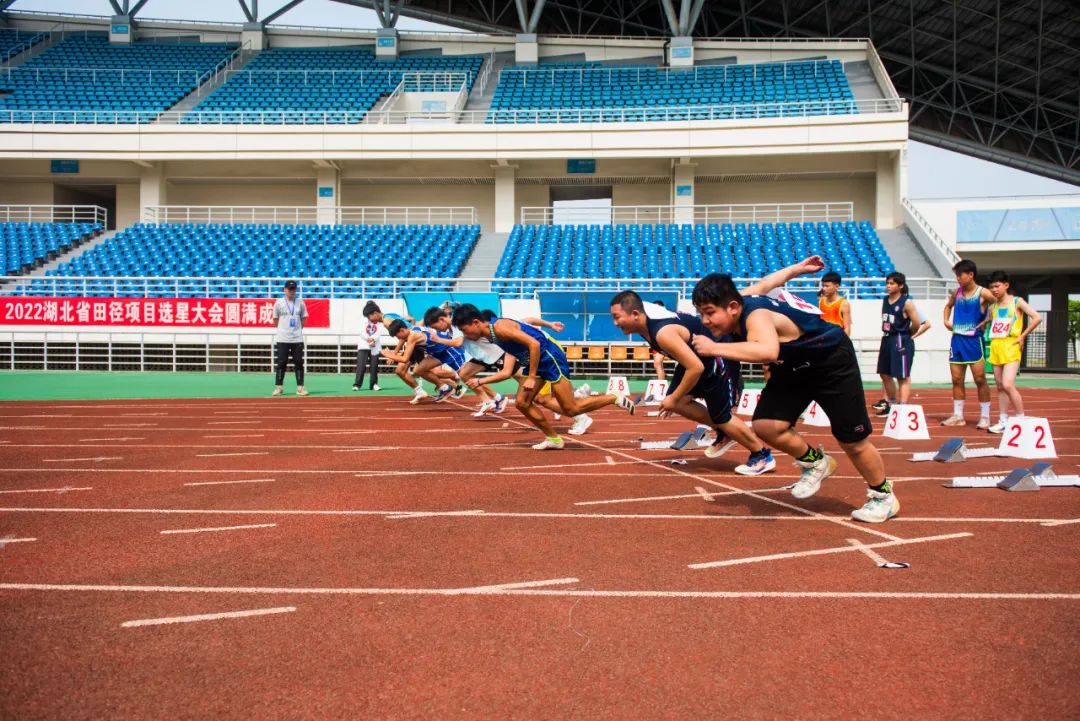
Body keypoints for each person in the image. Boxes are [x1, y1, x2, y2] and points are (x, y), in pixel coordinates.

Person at [689, 269, 899, 523]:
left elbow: (767, 350)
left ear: (733, 307)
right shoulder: (741, 300)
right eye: (701, 313)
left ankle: (883, 496)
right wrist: (799, 268)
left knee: (852, 441)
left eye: (709, 312)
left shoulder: (756, 316)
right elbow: (768, 282)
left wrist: (713, 348)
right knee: (767, 426)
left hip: (831, 362)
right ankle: (815, 463)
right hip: (793, 368)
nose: (706, 320)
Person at [609, 290, 775, 475]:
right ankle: (725, 432)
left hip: (714, 355)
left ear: (635, 314)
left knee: (721, 415)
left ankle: (762, 455)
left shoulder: (663, 333)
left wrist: (674, 398)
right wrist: (675, 399)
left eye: (617, 317)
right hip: (695, 357)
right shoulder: (642, 320)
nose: (614, 323)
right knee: (679, 403)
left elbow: (695, 368)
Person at [452, 304, 635, 449]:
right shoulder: (491, 331)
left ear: (476, 322)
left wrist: (531, 376)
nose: (465, 334)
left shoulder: (500, 328)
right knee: (522, 403)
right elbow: (527, 327)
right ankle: (554, 439)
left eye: (465, 329)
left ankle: (613, 397)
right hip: (537, 361)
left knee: (570, 409)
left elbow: (533, 344)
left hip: (550, 357)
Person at [982, 271, 1042, 434]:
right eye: (991, 287)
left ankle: (1021, 418)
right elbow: (990, 321)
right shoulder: (993, 306)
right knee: (1000, 386)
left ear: (1006, 285)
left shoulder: (1017, 302)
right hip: (996, 346)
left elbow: (1037, 317)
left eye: (997, 286)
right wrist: (982, 324)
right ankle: (1003, 420)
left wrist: (1023, 336)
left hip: (1011, 344)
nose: (994, 289)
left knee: (1008, 384)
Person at [942, 259, 996, 428]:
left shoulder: (983, 293)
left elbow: (997, 303)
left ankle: (985, 416)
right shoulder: (956, 293)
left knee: (980, 379)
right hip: (957, 340)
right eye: (956, 275)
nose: (957, 278)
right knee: (957, 379)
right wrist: (946, 321)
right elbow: (948, 306)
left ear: (971, 275)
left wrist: (989, 318)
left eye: (960, 275)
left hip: (974, 340)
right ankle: (958, 416)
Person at [871, 272, 930, 417]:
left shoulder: (907, 302)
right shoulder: (885, 300)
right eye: (887, 283)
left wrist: (908, 335)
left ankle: (902, 407)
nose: (888, 286)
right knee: (884, 373)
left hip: (899, 339)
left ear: (900, 286)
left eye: (892, 283)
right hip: (887, 338)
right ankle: (890, 403)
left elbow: (917, 322)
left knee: (902, 376)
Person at [382, 316, 462, 403]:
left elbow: (405, 359)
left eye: (398, 336)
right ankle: (445, 388)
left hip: (446, 350)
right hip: (436, 353)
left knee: (465, 375)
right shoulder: (412, 329)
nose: (399, 339)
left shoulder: (413, 336)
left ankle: (456, 378)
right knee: (418, 370)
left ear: (402, 330)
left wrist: (389, 354)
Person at [364, 301, 425, 402]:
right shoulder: (390, 315)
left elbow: (402, 335)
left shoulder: (387, 322)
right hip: (413, 342)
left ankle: (447, 384)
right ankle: (441, 386)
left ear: (375, 313)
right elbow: (406, 327)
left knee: (415, 370)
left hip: (413, 343)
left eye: (369, 317)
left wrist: (394, 354)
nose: (369, 320)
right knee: (420, 369)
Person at [272, 280, 308, 397]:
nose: (292, 291)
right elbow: (275, 319)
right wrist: (283, 329)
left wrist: (298, 329)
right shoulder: (279, 303)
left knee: (298, 363)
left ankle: (300, 387)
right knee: (281, 362)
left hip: (297, 338)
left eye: (293, 289)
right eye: (289, 289)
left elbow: (304, 317)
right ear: (284, 290)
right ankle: (278, 387)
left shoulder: (300, 303)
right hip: (283, 338)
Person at [353, 313, 382, 392]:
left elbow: (378, 332)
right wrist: (368, 339)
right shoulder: (362, 320)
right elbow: (361, 331)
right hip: (363, 345)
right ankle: (357, 385)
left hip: (375, 346)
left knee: (374, 366)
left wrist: (373, 339)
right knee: (361, 366)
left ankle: (374, 384)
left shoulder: (378, 320)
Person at [817, 271, 851, 336]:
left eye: (827, 286)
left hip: (837, 342)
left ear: (836, 286)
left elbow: (847, 328)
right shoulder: (821, 301)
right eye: (823, 286)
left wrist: (844, 344)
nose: (824, 288)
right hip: (823, 341)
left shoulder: (844, 304)